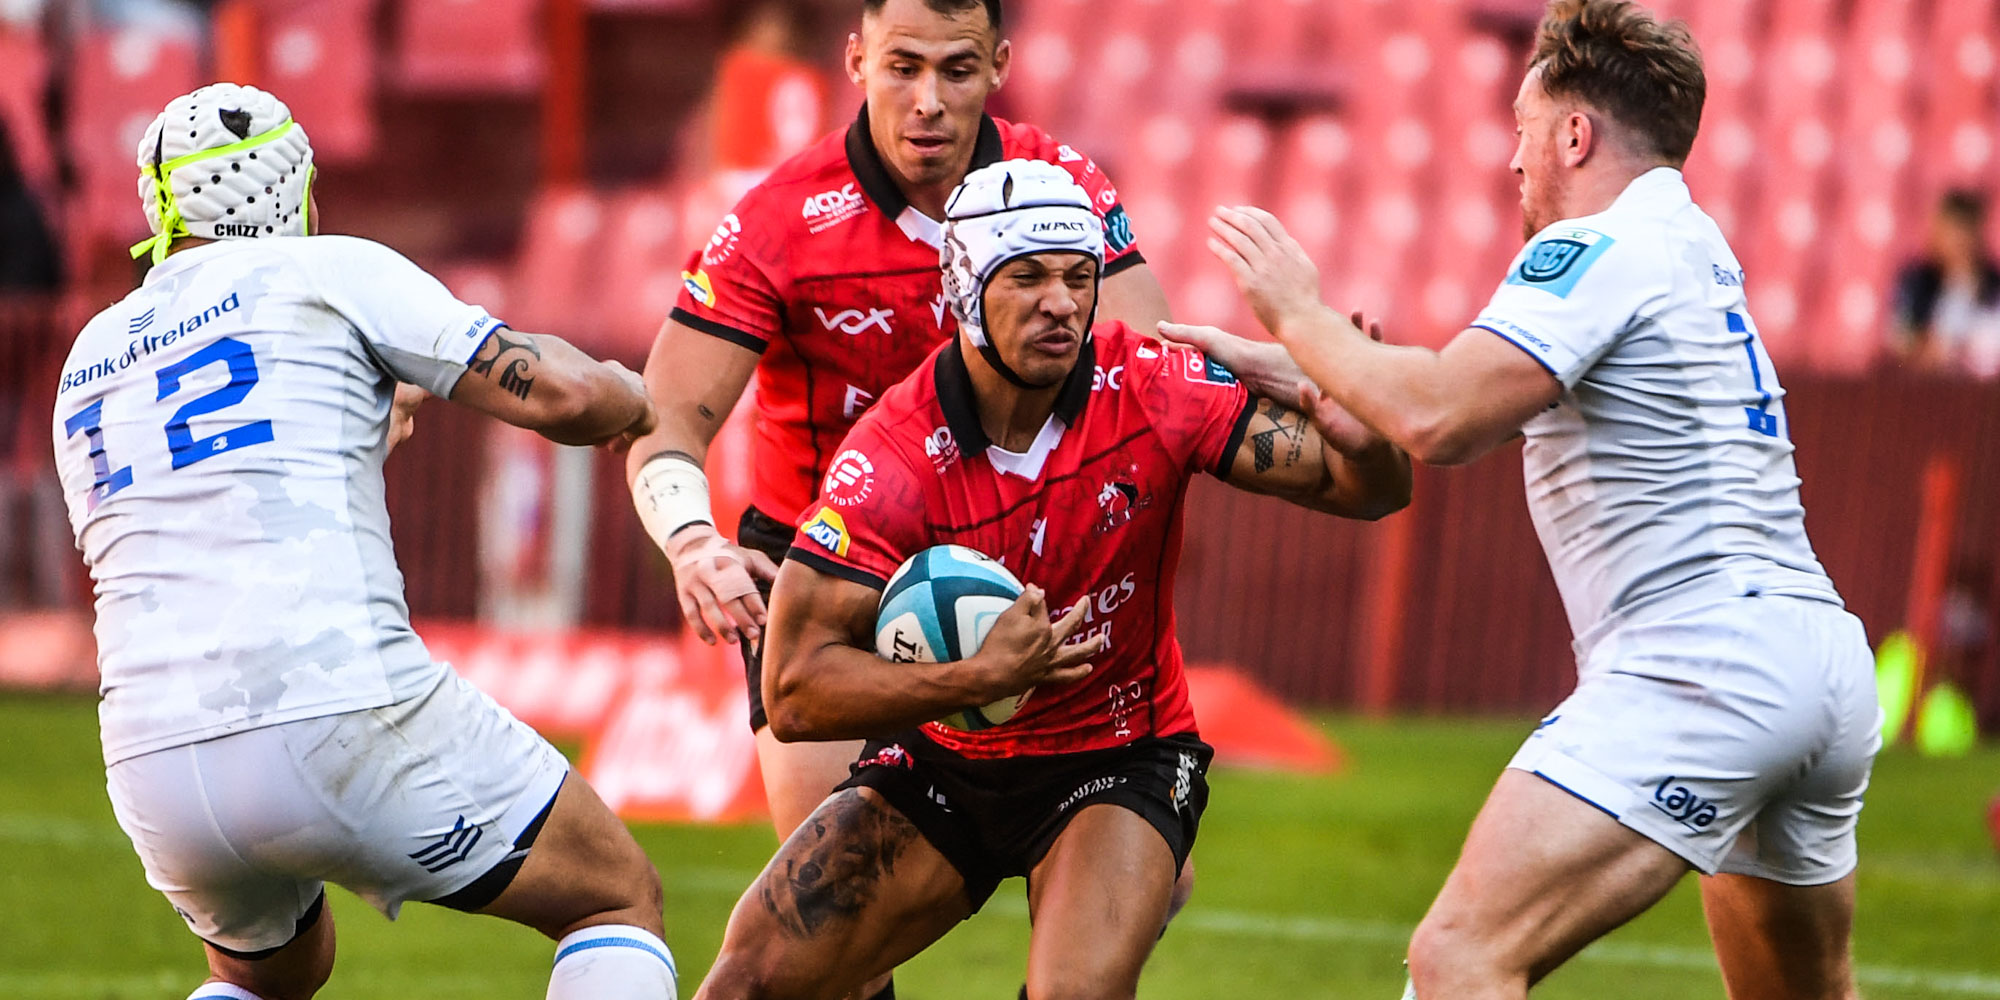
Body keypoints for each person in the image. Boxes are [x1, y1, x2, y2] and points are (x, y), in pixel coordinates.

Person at [1166, 3, 1879, 997]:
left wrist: (1297, 311)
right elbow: (1463, 399)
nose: (1511, 161)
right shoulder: (1688, 245)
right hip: (1817, 666)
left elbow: (1437, 416)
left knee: (1459, 957)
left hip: (1699, 664)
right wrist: (1306, 366)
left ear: (1574, 135)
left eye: (1522, 130)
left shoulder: (1595, 248)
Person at [693, 159, 1410, 1000]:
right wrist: (979, 679)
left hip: (1119, 754)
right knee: (745, 982)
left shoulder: (1154, 386)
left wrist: (1361, 430)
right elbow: (790, 691)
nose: (1062, 303)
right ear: (964, 289)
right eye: (1027, 277)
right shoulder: (890, 458)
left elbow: (1372, 492)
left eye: (1078, 276)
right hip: (947, 763)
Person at [51, 84, 675, 1000]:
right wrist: (635, 397)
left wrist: (355, 431)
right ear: (294, 188)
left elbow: (197, 506)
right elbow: (563, 394)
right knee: (611, 894)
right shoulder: (329, 269)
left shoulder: (88, 359)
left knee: (271, 977)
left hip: (151, 755)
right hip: (331, 699)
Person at [625, 5, 1177, 995]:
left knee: (1129, 891)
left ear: (998, 65)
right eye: (902, 67)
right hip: (827, 580)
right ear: (857, 60)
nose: (928, 100)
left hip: (1018, 571)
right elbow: (664, 417)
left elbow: (1147, 375)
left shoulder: (1061, 188)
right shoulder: (779, 218)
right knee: (828, 952)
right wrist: (692, 539)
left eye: (957, 70)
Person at [1890, 188, 2000, 377]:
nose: (1959, 243)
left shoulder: (1994, 287)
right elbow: (1901, 341)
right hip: (1931, 383)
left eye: (1965, 232)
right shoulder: (1918, 284)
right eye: (1952, 232)